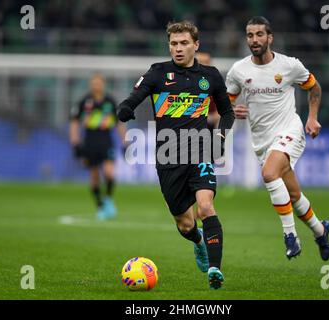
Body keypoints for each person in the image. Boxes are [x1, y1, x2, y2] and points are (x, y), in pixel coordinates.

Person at [117, 21, 235, 289]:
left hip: (200, 150)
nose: (178, 48)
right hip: (168, 156)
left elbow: (227, 113)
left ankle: (215, 269)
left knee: (206, 207)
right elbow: (135, 96)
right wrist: (125, 108)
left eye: (184, 43)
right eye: (174, 44)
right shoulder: (158, 73)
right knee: (185, 224)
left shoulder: (211, 76)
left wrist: (220, 136)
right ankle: (198, 242)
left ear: (196, 45)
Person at [226, 16, 329, 261]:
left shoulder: (289, 65)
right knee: (294, 196)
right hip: (262, 141)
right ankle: (320, 230)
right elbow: (224, 104)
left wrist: (312, 117)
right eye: (250, 35)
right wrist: (231, 111)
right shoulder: (238, 71)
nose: (255, 39)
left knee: (269, 174)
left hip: (290, 130)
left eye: (260, 34)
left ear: (270, 38)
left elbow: (314, 88)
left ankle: (290, 236)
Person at [69, 74, 127, 220]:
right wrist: (75, 142)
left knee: (109, 173)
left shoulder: (110, 101)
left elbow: (119, 122)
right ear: (90, 85)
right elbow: (74, 122)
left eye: (98, 83)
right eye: (94, 83)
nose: (96, 86)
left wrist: (125, 141)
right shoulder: (84, 102)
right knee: (94, 176)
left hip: (106, 140)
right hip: (90, 141)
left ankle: (108, 200)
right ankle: (100, 206)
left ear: (103, 84)